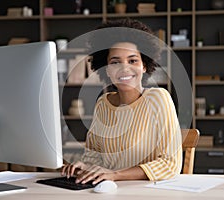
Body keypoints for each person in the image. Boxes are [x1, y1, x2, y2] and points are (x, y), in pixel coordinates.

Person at [62, 18, 182, 185]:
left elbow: (170, 164)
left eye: (133, 60)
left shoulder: (158, 99)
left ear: (144, 66)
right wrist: (85, 166)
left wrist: (115, 175)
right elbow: (94, 155)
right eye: (115, 62)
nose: (124, 68)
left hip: (146, 193)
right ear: (107, 70)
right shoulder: (103, 104)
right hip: (108, 190)